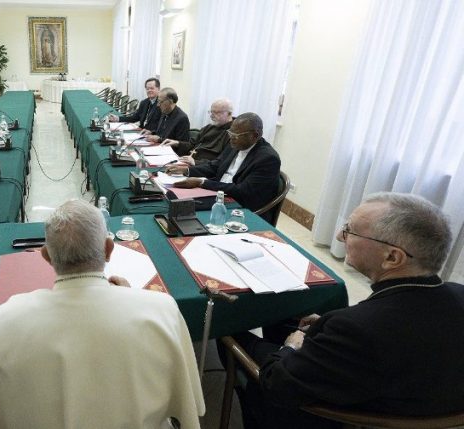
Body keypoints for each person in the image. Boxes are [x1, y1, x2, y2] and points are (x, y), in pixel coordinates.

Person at [233, 193, 464, 428]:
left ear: (392, 257)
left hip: (337, 416)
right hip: (420, 398)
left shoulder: (354, 329)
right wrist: (331, 328)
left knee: (233, 336)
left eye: (350, 232)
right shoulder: (457, 293)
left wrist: (290, 347)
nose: (339, 236)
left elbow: (278, 383)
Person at [0, 199, 205, 428]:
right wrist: (134, 299)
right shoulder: (162, 309)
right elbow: (190, 403)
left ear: (46, 256)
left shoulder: (4, 320)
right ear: (108, 249)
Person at [166, 112, 280, 223]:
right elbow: (215, 166)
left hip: (240, 207)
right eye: (230, 133)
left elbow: (243, 191)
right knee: (171, 200)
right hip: (219, 194)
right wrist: (187, 170)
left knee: (184, 212)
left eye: (236, 135)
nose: (231, 138)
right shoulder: (235, 144)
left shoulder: (268, 159)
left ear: (255, 135)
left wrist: (202, 183)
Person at [162, 98, 234, 164]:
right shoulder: (208, 127)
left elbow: (221, 162)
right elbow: (192, 144)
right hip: (187, 162)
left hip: (203, 168)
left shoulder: (233, 134)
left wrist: (195, 162)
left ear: (229, 113)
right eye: (211, 112)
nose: (212, 116)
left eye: (216, 112)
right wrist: (177, 143)